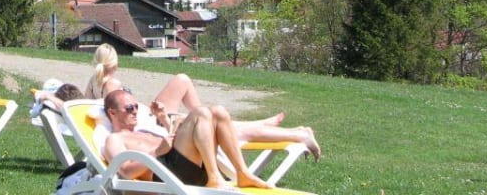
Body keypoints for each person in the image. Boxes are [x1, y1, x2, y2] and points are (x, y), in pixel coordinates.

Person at [85, 43, 321, 159]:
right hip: (154, 127)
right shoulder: (112, 87)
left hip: (155, 123)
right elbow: (119, 115)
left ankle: (216, 119)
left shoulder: (92, 83)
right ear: (114, 62)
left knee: (183, 80)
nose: (131, 108)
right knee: (218, 124)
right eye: (130, 106)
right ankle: (291, 131)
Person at [103, 87, 270, 189]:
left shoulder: (145, 131)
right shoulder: (114, 139)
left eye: (136, 107)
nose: (135, 111)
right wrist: (156, 152)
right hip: (164, 177)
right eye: (129, 108)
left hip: (182, 168)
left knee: (218, 111)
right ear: (112, 112)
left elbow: (173, 145)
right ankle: (214, 177)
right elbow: (124, 171)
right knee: (201, 113)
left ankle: (242, 173)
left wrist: (164, 120)